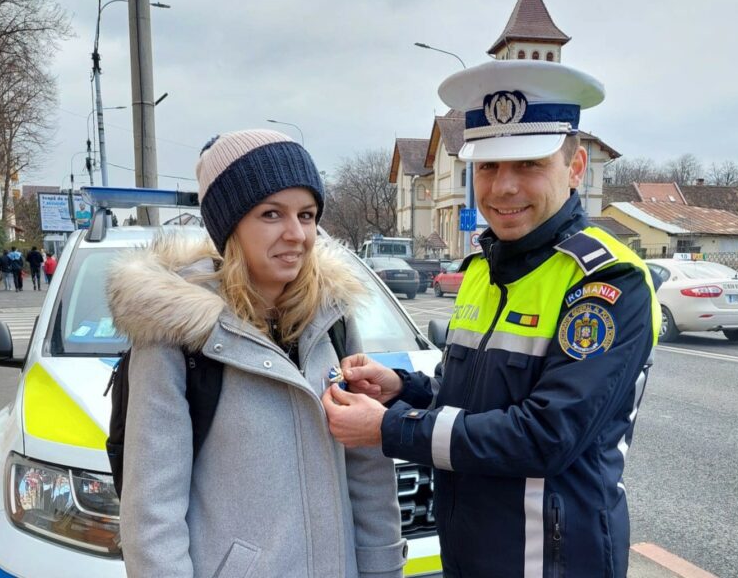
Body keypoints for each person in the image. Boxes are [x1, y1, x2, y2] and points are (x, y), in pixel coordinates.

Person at [323, 61, 661, 577]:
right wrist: (403, 389)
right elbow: (465, 399)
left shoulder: (606, 280)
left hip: (553, 561)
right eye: (487, 167)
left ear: (575, 168)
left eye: (528, 164)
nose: (503, 188)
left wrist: (389, 428)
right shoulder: (482, 269)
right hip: (471, 551)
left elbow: (546, 435)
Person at [106, 129, 406, 578]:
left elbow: (366, 473)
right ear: (230, 224)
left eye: (307, 215)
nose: (296, 234)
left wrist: (382, 568)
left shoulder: (334, 319)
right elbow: (153, 514)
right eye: (271, 214)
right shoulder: (177, 335)